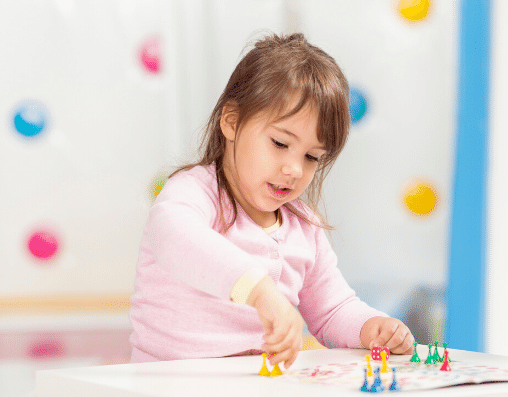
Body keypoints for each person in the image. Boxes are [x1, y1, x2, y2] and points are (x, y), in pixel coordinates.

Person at [128, 33, 415, 368]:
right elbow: (175, 238)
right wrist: (259, 290)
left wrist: (372, 328)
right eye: (280, 143)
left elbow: (333, 310)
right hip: (169, 384)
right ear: (231, 122)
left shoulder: (304, 229)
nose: (293, 169)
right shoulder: (194, 192)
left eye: (311, 157)